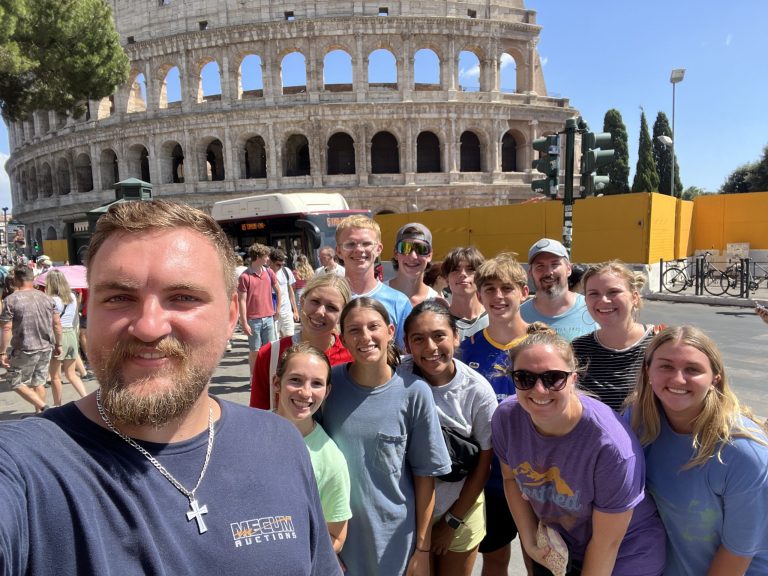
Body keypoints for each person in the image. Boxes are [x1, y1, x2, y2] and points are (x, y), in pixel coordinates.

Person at [0, 200, 340, 574]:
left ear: (230, 318)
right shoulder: (22, 466)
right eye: (119, 298)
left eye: (184, 298)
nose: (149, 327)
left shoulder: (282, 443)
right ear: (88, 312)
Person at [492, 329, 666, 576]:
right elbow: (510, 478)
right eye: (525, 378)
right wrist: (530, 542)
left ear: (573, 379)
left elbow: (607, 545)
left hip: (625, 553)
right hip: (565, 546)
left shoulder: (610, 446)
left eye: (553, 378)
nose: (539, 390)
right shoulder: (507, 418)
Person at [321, 297, 451, 576]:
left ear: (390, 332)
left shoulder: (414, 392)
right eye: (354, 330)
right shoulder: (327, 387)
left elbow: (425, 478)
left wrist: (422, 551)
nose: (365, 337)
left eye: (373, 327)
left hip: (396, 543)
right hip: (338, 541)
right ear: (342, 339)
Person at [628, 326, 768, 575]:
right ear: (648, 371)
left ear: (715, 378)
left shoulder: (743, 453)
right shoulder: (635, 423)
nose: (678, 379)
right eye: (666, 366)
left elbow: (737, 553)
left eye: (692, 369)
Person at [403, 300, 497, 576]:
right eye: (418, 339)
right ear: (407, 345)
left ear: (456, 337)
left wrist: (452, 522)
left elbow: (484, 463)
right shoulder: (398, 375)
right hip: (409, 514)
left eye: (439, 336)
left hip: (460, 509)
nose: (430, 348)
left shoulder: (478, 391)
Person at [457, 253, 532, 575]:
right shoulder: (467, 348)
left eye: (507, 288)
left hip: (537, 475)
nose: (498, 296)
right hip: (489, 479)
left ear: (524, 293)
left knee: (541, 558)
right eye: (489, 289)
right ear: (479, 295)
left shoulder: (542, 343)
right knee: (496, 558)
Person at [273, 342, 352, 555]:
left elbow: (336, 536)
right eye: (295, 380)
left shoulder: (330, 460)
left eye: (316, 383)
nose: (305, 392)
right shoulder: (246, 433)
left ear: (327, 392)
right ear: (277, 383)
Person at [249, 273, 353, 410]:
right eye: (315, 301)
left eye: (331, 308)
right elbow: (258, 413)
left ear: (343, 314)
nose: (320, 312)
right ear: (303, 301)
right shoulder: (270, 354)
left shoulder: (352, 355)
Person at [571, 261, 658, 411]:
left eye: (613, 292)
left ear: (634, 297)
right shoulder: (577, 349)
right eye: (593, 294)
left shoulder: (657, 344)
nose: (603, 300)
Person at [335, 215, 412, 348]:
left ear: (378, 249)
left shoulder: (398, 302)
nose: (359, 249)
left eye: (366, 243)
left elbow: (407, 356)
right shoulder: (328, 300)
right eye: (350, 244)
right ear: (339, 251)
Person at [0, 265, 62, 413]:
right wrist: (59, 344)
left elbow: (7, 328)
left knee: (14, 381)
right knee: (38, 381)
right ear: (32, 278)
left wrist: (2, 352)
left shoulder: (11, 300)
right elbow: (57, 324)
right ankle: (40, 414)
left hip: (25, 348)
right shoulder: (46, 298)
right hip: (46, 347)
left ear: (16, 279)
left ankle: (43, 408)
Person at [520, 238, 596, 342]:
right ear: (530, 273)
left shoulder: (592, 309)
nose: (548, 272)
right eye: (540, 266)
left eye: (555, 264)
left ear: (569, 269)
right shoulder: (518, 315)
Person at [45, 269, 87, 405]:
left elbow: (54, 322)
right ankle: (87, 398)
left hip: (58, 335)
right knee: (71, 374)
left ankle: (57, 405)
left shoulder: (51, 300)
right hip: (71, 334)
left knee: (55, 376)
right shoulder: (72, 297)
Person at [238, 243, 281, 373]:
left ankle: (271, 374)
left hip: (269, 317)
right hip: (253, 320)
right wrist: (244, 322)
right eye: (266, 256)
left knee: (270, 349)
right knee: (255, 351)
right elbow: (242, 300)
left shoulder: (269, 272)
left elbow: (279, 291)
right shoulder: (245, 277)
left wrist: (277, 309)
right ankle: (254, 377)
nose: (268, 258)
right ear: (258, 257)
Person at [387, 222, 440, 306]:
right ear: (395, 253)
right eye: (405, 248)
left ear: (430, 255)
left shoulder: (437, 303)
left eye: (421, 249)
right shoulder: (377, 296)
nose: (413, 256)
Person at [441, 247, 487, 341]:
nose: (463, 274)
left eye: (470, 269)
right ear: (446, 278)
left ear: (481, 277)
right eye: (455, 270)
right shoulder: (438, 321)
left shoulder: (496, 318)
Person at [269, 248, 299, 338]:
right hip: (272, 313)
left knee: (290, 339)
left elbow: (291, 292)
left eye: (282, 264)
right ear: (271, 262)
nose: (280, 267)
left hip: (286, 311)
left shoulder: (286, 271)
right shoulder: (265, 273)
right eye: (278, 265)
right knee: (274, 341)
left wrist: (295, 311)